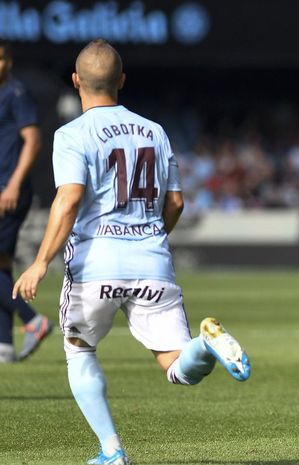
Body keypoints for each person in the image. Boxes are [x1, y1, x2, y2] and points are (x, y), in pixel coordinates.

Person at [12, 39, 251, 465]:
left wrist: (40, 261)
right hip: (151, 263)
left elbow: (68, 199)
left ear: (75, 81)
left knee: (79, 348)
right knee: (177, 366)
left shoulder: (72, 134)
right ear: (122, 80)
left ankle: (111, 452)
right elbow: (175, 203)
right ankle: (205, 344)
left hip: (95, 265)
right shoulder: (155, 130)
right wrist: (149, 237)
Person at [0, 41, 53, 363]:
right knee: (2, 266)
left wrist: (13, 185)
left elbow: (33, 140)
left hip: (8, 190)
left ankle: (33, 320)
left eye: (1, 57)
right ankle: (4, 344)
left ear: (9, 60)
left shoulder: (15, 94)